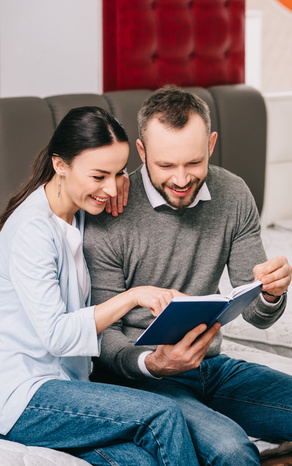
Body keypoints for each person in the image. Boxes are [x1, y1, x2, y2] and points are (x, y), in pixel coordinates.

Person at [83, 86, 292, 465]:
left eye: (193, 163)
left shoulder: (233, 194)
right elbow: (99, 337)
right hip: (143, 380)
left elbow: (255, 314)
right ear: (142, 151)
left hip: (209, 366)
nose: (181, 179)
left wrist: (271, 293)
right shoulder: (110, 209)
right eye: (166, 166)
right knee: (233, 449)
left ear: (211, 144)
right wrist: (153, 364)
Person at [0, 106, 199, 465]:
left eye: (118, 172)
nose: (110, 187)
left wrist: (118, 181)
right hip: (22, 394)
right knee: (162, 415)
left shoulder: (77, 213)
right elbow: (58, 335)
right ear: (60, 165)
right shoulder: (32, 230)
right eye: (99, 175)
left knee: (141, 460)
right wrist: (133, 296)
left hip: (68, 387)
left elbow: (119, 180)